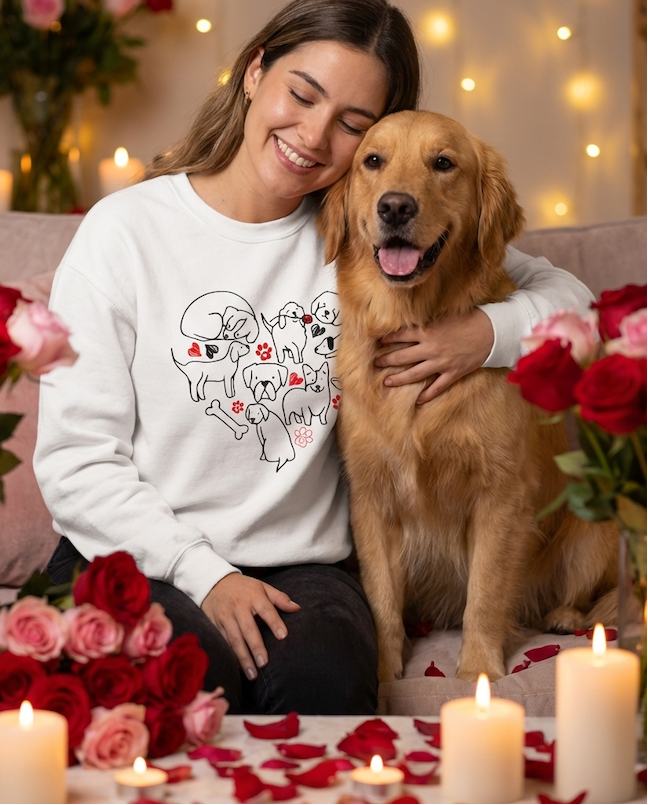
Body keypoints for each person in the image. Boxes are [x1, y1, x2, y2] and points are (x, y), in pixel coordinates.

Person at [35, 0, 594, 716]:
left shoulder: (367, 235)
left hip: (302, 564)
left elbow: (570, 296)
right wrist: (206, 575)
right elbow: (76, 461)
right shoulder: (125, 232)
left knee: (328, 689)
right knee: (184, 680)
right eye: (302, 94)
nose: (312, 134)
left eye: (352, 124)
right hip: (137, 550)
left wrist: (483, 334)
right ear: (254, 71)